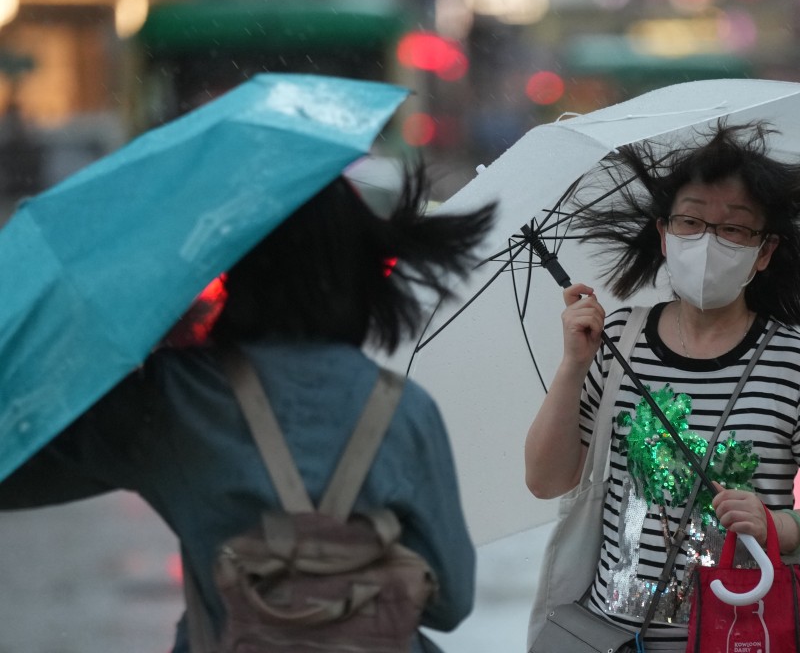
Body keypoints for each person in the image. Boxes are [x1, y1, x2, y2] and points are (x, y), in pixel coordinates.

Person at [0, 162, 496, 653]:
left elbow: (16, 468)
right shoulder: (406, 410)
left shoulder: (175, 398)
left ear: (236, 265)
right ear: (356, 269)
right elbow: (450, 601)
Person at [525, 101, 800, 649]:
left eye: (734, 229)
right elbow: (546, 479)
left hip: (739, 635)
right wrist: (572, 366)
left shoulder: (793, 361)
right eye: (691, 222)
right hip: (613, 638)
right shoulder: (618, 340)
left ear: (765, 251)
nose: (707, 241)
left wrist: (778, 526)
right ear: (664, 234)